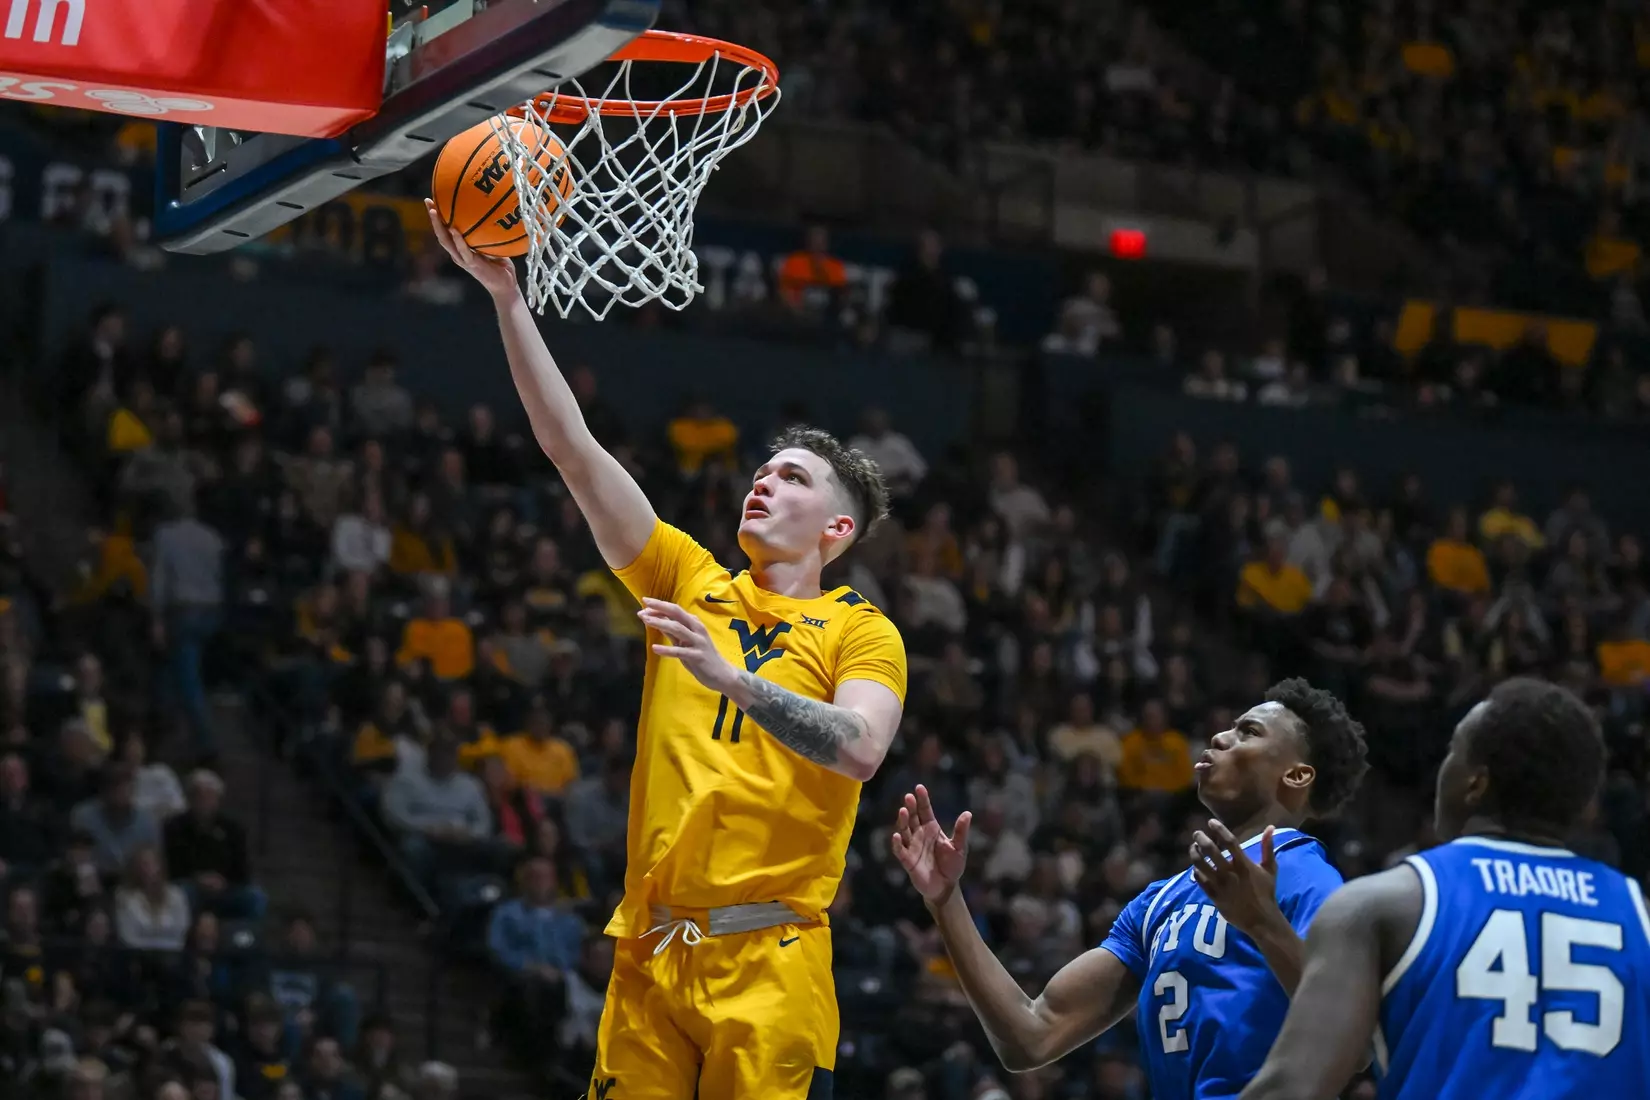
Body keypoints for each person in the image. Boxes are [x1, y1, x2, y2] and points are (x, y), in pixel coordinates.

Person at [427, 199, 909, 1100]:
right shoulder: (686, 576)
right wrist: (505, 298)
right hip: (650, 951)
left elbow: (860, 747)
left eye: (792, 477)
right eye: (763, 471)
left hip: (770, 957)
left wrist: (733, 678)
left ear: (837, 527)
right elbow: (571, 450)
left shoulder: (862, 631)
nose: (764, 481)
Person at [891, 679, 1370, 1096]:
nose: (1220, 736)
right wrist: (945, 899)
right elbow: (1032, 1034)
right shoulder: (1162, 899)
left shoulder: (1310, 880)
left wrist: (1264, 922)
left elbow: (1358, 1046)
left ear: (1297, 774)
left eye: (1249, 731)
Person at [1239, 678, 1650, 1100]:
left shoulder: (1383, 904)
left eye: (1453, 750)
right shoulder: (1641, 918)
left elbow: (1288, 1089)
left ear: (1476, 784)